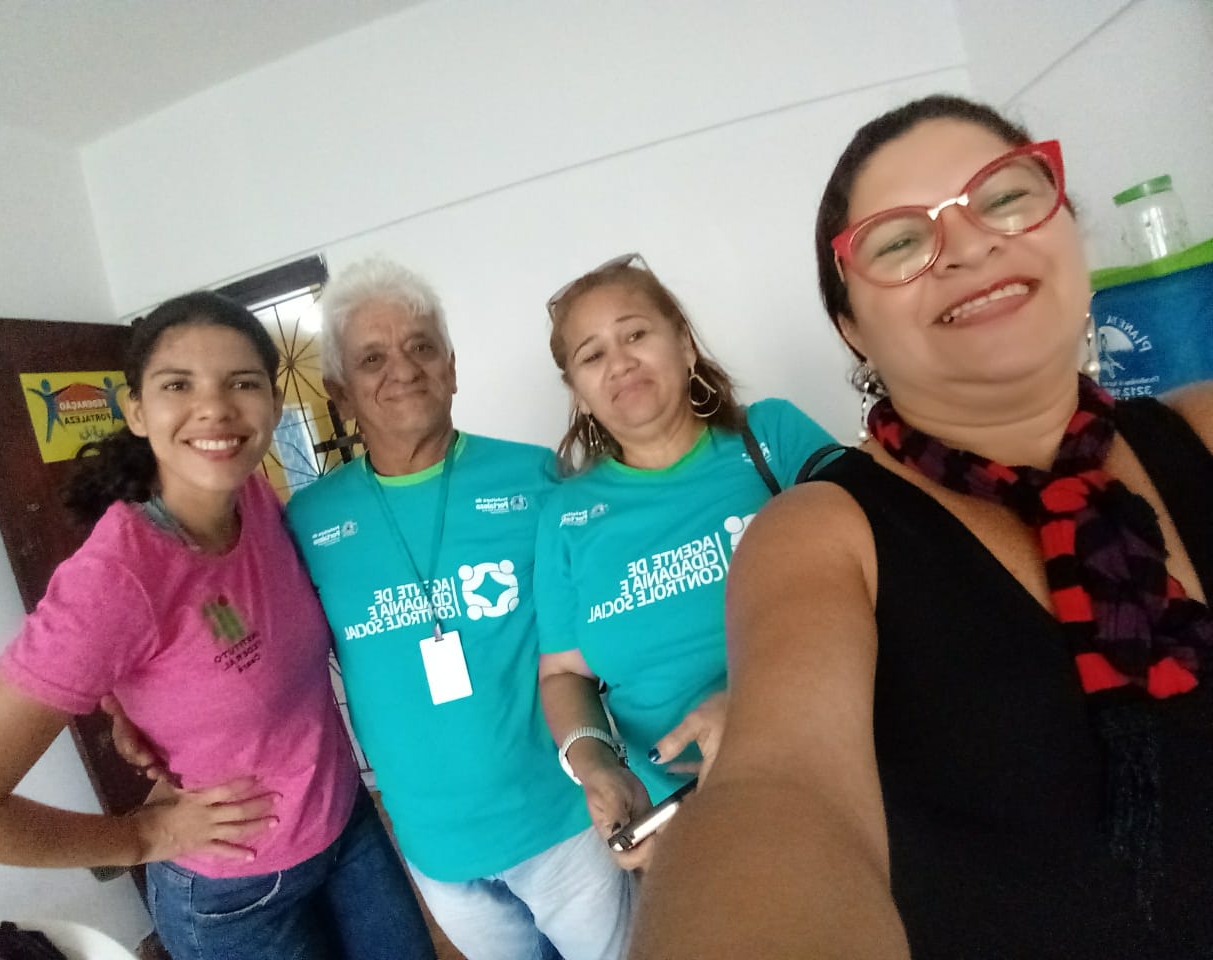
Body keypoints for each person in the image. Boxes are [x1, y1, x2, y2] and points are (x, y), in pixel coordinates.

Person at [630, 95, 1213, 960]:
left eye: (1005, 196)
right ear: (852, 330)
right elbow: (778, 791)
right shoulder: (822, 534)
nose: (969, 245)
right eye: (899, 242)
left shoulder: (1202, 428)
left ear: (1071, 231)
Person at [0, 292, 435, 960]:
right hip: (237, 894)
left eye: (242, 383)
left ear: (273, 402)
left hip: (345, 824)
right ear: (137, 409)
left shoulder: (252, 496)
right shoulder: (116, 578)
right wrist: (143, 837)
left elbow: (191, 648)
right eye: (178, 384)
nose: (215, 408)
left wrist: (126, 704)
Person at [281, 257, 633, 960]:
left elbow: (616, 616)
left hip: (562, 823)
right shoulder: (310, 520)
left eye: (422, 347)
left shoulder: (537, 477)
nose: (403, 369)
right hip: (434, 849)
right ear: (340, 391)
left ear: (451, 367)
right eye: (373, 358)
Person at [535, 253, 834, 869]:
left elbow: (882, 569)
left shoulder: (773, 437)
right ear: (579, 394)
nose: (620, 363)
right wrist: (596, 766)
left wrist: (753, 706)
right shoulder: (565, 515)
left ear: (685, 346)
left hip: (828, 767)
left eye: (635, 334)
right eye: (592, 355)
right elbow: (564, 673)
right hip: (681, 823)